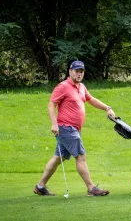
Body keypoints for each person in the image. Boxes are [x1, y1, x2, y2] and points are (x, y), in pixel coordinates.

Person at [34, 60, 115, 196]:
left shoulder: (81, 87)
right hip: (66, 128)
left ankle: (40, 186)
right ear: (70, 71)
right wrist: (54, 124)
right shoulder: (63, 86)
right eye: (77, 71)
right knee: (81, 156)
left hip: (74, 129)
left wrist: (107, 108)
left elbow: (91, 99)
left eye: (81, 71)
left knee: (58, 158)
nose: (79, 74)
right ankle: (91, 188)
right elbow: (51, 105)